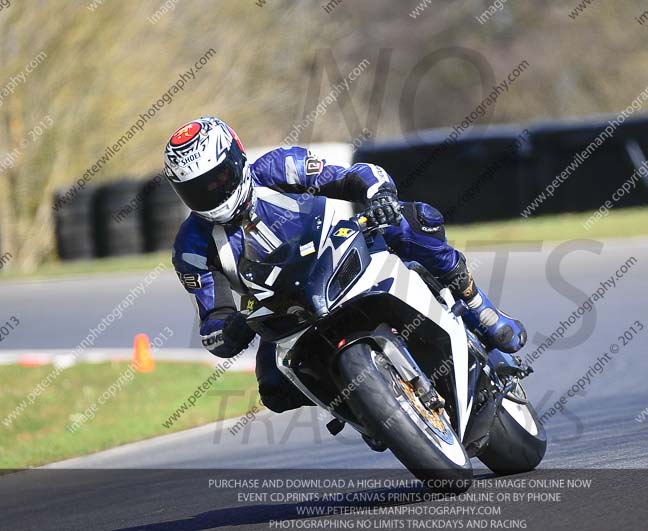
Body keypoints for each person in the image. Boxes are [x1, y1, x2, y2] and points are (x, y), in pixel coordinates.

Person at [166, 116, 527, 414]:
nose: (213, 192)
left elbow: (349, 176)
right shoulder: (191, 247)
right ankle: (364, 404)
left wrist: (378, 195)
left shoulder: (277, 168)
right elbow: (213, 320)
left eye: (219, 178)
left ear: (237, 158)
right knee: (274, 390)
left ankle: (479, 307)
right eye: (198, 189)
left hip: (341, 249)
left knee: (413, 221)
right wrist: (229, 329)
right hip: (283, 311)